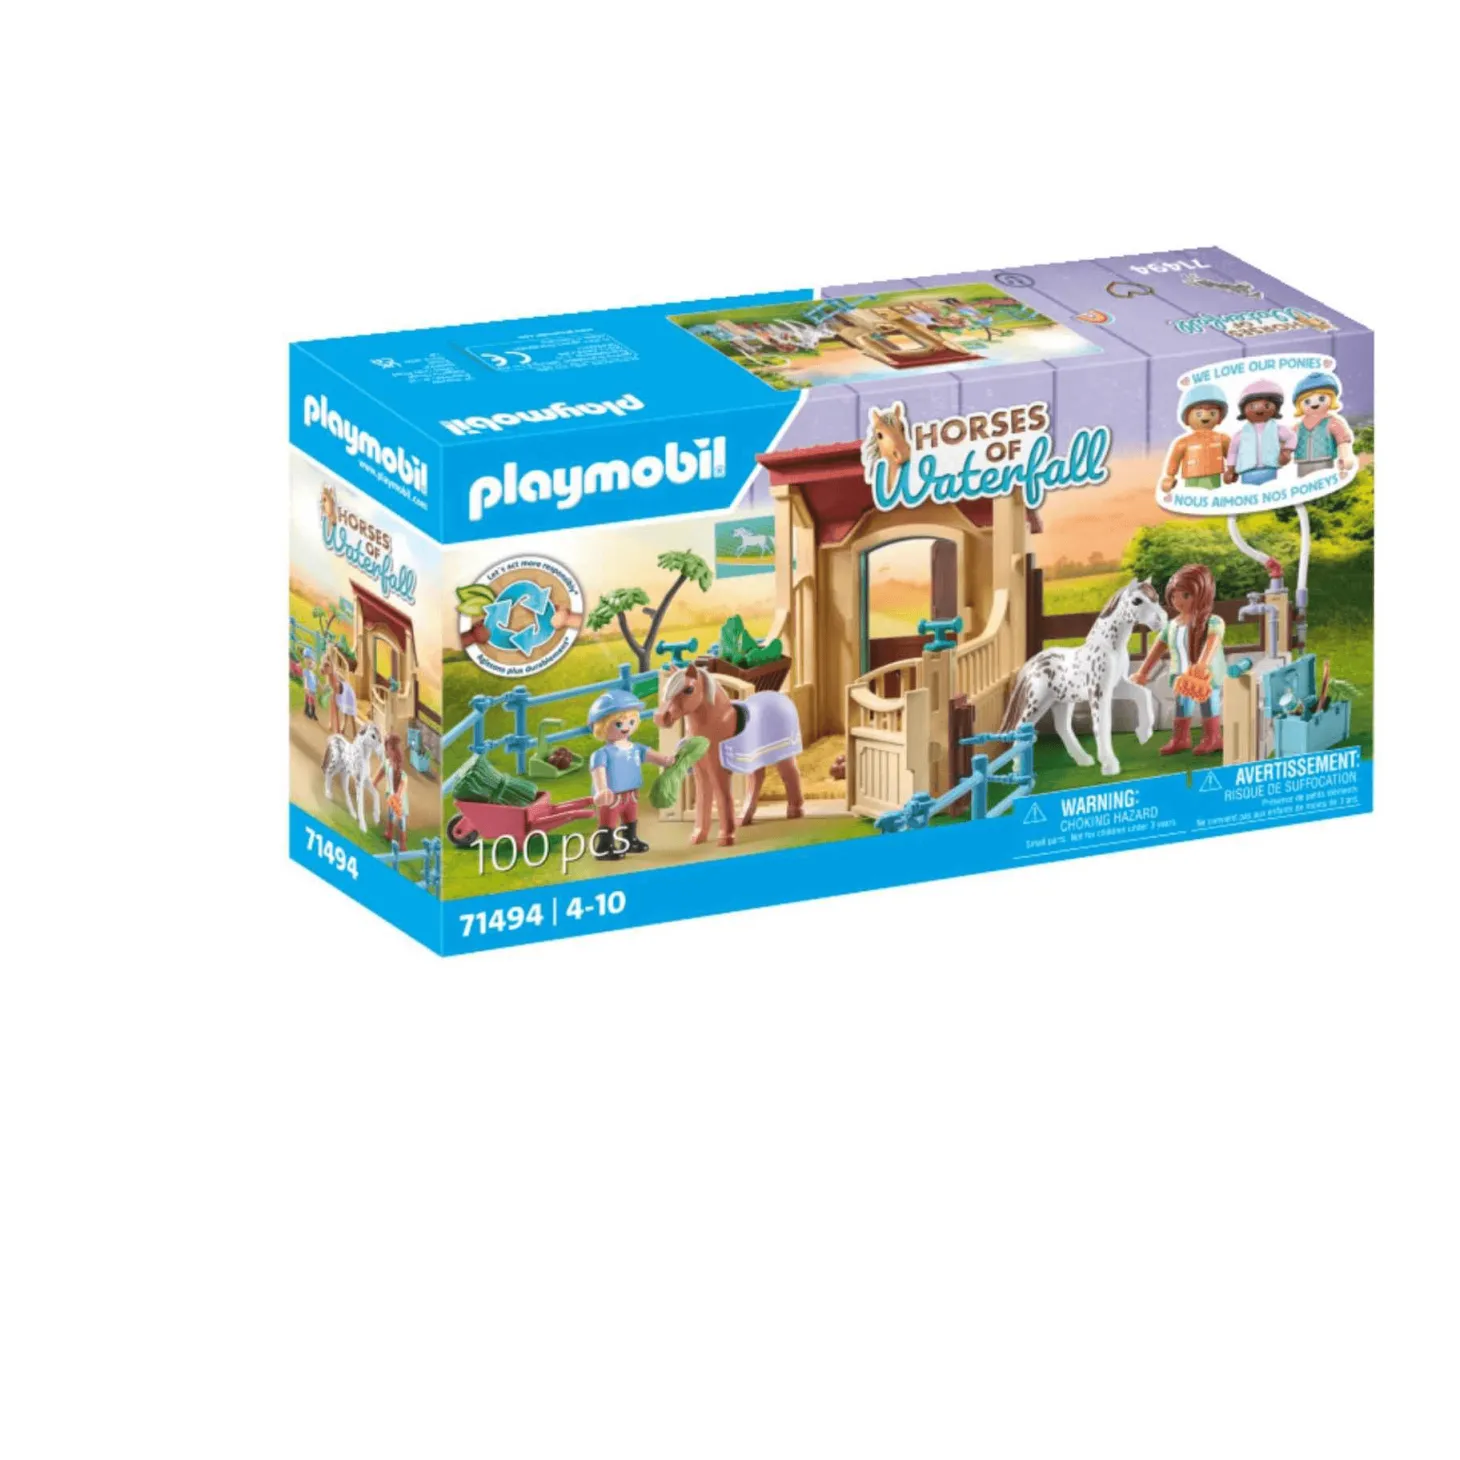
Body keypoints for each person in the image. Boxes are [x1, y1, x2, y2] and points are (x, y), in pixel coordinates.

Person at [1131, 563, 1226, 757]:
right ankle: (1181, 738)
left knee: (1209, 704)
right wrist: (1143, 672)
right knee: (1182, 706)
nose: (1178, 601)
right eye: (1174, 596)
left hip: (1205, 677)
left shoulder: (1213, 621)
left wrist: (1202, 665)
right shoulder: (1172, 625)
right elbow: (1158, 648)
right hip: (1181, 677)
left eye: (1185, 595)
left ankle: (1213, 737)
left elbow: (1213, 641)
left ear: (1203, 594)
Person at [585, 688, 673, 860]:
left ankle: (630, 840)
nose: (626, 728)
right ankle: (604, 847)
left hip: (631, 794)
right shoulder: (601, 754)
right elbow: (598, 771)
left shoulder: (635, 748)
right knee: (609, 821)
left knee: (630, 818)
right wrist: (602, 789)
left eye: (631, 722)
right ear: (601, 727)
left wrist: (667, 761)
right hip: (612, 796)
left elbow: (653, 756)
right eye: (618, 724)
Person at [1160, 383, 1231, 493]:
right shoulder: (1183, 442)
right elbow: (1174, 460)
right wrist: (1170, 476)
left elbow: (1232, 457)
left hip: (1215, 481)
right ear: (1187, 417)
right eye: (1199, 414)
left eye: (1212, 413)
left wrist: (1232, 470)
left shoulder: (1223, 439)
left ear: (1219, 417)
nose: (1205, 417)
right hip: (1193, 482)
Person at [1224, 378, 1294, 486]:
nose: (1259, 409)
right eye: (1252, 406)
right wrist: (1230, 470)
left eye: (1267, 405)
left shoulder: (1277, 429)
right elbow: (1233, 452)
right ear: (1243, 410)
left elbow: (1291, 437)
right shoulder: (1240, 435)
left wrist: (1286, 451)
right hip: (1247, 472)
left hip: (1271, 469)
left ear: (1276, 408)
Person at [1291, 370, 1356, 478]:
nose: (1314, 404)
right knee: (1305, 484)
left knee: (1323, 483)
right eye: (1307, 401)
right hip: (1302, 464)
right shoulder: (1298, 427)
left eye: (1321, 398)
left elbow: (1343, 440)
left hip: (1324, 462)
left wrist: (1346, 455)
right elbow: (1288, 442)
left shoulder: (1332, 422)